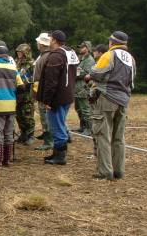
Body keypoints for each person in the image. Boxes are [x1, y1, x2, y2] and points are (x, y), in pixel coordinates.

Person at [86, 31, 136, 180]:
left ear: (111, 43)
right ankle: (118, 170)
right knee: (118, 138)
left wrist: (89, 75)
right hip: (123, 100)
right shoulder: (131, 59)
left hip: (106, 98)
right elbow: (132, 80)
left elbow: (96, 73)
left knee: (103, 135)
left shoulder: (108, 55)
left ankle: (105, 171)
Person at [37, 30, 79, 165]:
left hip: (57, 98)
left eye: (50, 38)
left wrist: (47, 100)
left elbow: (51, 81)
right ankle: (56, 153)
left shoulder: (56, 56)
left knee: (57, 126)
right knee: (59, 123)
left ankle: (60, 156)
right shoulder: (70, 52)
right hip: (67, 94)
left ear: (54, 40)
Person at [32, 33, 53, 151]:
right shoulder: (44, 55)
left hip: (43, 90)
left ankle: (48, 141)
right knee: (45, 116)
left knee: (45, 117)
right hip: (41, 89)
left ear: (41, 44)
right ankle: (48, 138)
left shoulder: (45, 56)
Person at [15, 43, 36, 145]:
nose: (19, 53)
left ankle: (30, 135)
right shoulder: (16, 63)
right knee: (19, 115)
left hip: (27, 93)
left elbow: (35, 77)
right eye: (18, 52)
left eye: (21, 52)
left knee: (27, 115)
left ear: (26, 53)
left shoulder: (32, 64)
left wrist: (28, 82)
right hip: (17, 92)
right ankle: (23, 134)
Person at [74, 41, 95, 136]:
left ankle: (89, 128)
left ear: (87, 48)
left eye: (82, 47)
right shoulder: (81, 59)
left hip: (83, 88)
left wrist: (75, 72)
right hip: (77, 88)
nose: (80, 49)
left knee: (86, 109)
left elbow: (87, 74)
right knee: (78, 108)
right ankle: (82, 126)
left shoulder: (90, 60)